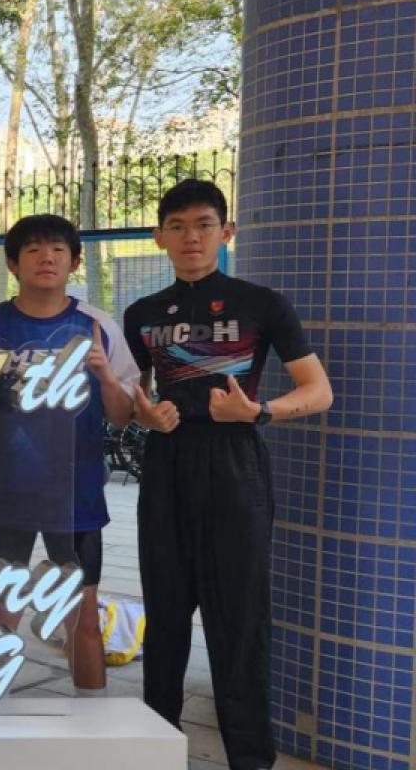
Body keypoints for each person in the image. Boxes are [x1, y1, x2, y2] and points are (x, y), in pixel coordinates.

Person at [125, 180, 332, 770]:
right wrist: (145, 415)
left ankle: (250, 759)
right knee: (165, 615)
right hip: (166, 465)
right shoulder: (141, 314)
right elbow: (134, 397)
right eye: (178, 226)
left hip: (236, 464)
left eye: (204, 224)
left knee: (239, 621)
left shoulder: (262, 304)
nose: (191, 237)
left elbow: (319, 391)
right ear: (160, 237)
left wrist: (259, 412)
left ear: (226, 232)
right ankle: (157, 752)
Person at [0, 214, 137, 695]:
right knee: (0, 615)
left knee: (83, 617)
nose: (47, 258)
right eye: (34, 249)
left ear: (74, 261)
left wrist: (104, 376)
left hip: (76, 498)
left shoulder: (97, 326)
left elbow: (123, 415)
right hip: (5, 497)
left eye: (58, 249)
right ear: (13, 263)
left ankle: (92, 715)